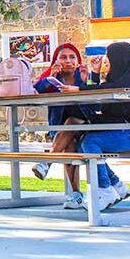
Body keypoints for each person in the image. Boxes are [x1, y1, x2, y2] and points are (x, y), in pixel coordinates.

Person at [75, 41, 130, 209]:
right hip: (127, 131)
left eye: (110, 57)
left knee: (91, 142)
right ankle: (117, 185)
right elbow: (100, 98)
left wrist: (79, 90)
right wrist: (95, 73)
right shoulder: (120, 76)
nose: (107, 61)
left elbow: (112, 88)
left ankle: (105, 190)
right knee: (81, 146)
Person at [30, 42, 102, 209]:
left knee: (71, 123)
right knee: (69, 143)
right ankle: (76, 195)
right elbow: (36, 91)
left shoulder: (84, 75)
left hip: (87, 125)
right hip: (62, 131)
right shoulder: (53, 78)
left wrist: (84, 83)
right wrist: (50, 77)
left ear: (78, 60)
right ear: (56, 60)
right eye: (63, 57)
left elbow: (97, 105)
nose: (68, 61)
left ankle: (47, 163)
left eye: (72, 57)